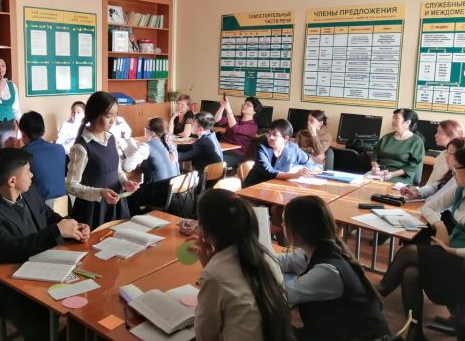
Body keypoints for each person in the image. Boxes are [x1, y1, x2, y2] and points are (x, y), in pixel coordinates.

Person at [0, 148, 89, 341]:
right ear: (12, 181)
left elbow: (49, 216)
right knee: (40, 322)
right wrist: (57, 231)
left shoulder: (29, 192)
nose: (32, 175)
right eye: (28, 171)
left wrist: (72, 227)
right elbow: (11, 250)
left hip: (45, 265)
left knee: (87, 302)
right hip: (12, 286)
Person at [378, 146, 465, 341]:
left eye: (456, 168)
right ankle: (414, 334)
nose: (453, 172)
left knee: (409, 252)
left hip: (460, 257)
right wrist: (440, 226)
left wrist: (451, 251)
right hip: (451, 251)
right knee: (410, 273)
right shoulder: (460, 188)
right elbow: (429, 207)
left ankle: (375, 295)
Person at [280, 196, 390, 341]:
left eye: (284, 222)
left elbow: (282, 295)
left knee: (273, 329)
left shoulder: (327, 272)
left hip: (355, 336)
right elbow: (285, 261)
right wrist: (256, 259)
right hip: (339, 330)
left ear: (298, 229)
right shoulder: (321, 248)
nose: (282, 225)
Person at [192, 189, 294, 341]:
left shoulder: (214, 273)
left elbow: (205, 336)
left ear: (203, 231)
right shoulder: (267, 255)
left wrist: (209, 267)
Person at [66, 91, 140, 229]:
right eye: (108, 116)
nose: (113, 120)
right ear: (94, 114)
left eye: (115, 115)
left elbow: (116, 170)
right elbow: (71, 185)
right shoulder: (82, 147)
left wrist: (125, 182)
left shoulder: (111, 138)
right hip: (93, 210)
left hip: (116, 203)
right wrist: (99, 192)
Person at [122, 117, 180, 212]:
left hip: (159, 195)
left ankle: (139, 218)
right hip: (176, 192)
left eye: (146, 128)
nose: (145, 130)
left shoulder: (147, 147)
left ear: (152, 133)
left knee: (126, 196)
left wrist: (123, 160)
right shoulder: (172, 144)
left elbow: (127, 166)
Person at [243, 119, 315, 187]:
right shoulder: (262, 146)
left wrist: (304, 171)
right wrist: (294, 175)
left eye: (275, 135)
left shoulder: (293, 148)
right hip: (255, 185)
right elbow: (267, 171)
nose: (270, 137)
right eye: (269, 134)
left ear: (286, 138)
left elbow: (310, 163)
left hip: (277, 185)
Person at [19, 111, 67, 210]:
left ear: (23, 133)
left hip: (40, 207)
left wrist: (11, 151)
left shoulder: (23, 154)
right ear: (43, 131)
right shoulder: (59, 149)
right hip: (63, 204)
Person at [370, 108, 425, 184]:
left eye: (396, 118)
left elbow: (412, 167)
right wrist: (375, 166)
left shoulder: (417, 142)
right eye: (393, 118)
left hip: (400, 177)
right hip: (379, 175)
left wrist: (392, 174)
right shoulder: (385, 138)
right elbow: (374, 156)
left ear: (407, 122)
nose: (393, 121)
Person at [402, 137, 464, 201]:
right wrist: (417, 193)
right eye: (447, 152)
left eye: (450, 153)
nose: (446, 156)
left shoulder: (459, 178)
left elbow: (441, 201)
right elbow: (436, 187)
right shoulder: (451, 173)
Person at [214, 95, 262, 168]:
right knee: (203, 155)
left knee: (215, 161)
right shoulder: (236, 118)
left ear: (255, 111)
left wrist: (229, 110)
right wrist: (222, 106)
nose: (244, 106)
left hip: (235, 154)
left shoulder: (253, 126)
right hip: (222, 148)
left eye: (248, 105)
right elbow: (218, 120)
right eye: (244, 103)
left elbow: (235, 128)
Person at [424, 119, 464, 184]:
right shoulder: (442, 154)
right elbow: (431, 181)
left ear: (452, 135)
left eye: (439, 133)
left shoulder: (458, 160)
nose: (435, 135)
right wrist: (419, 190)